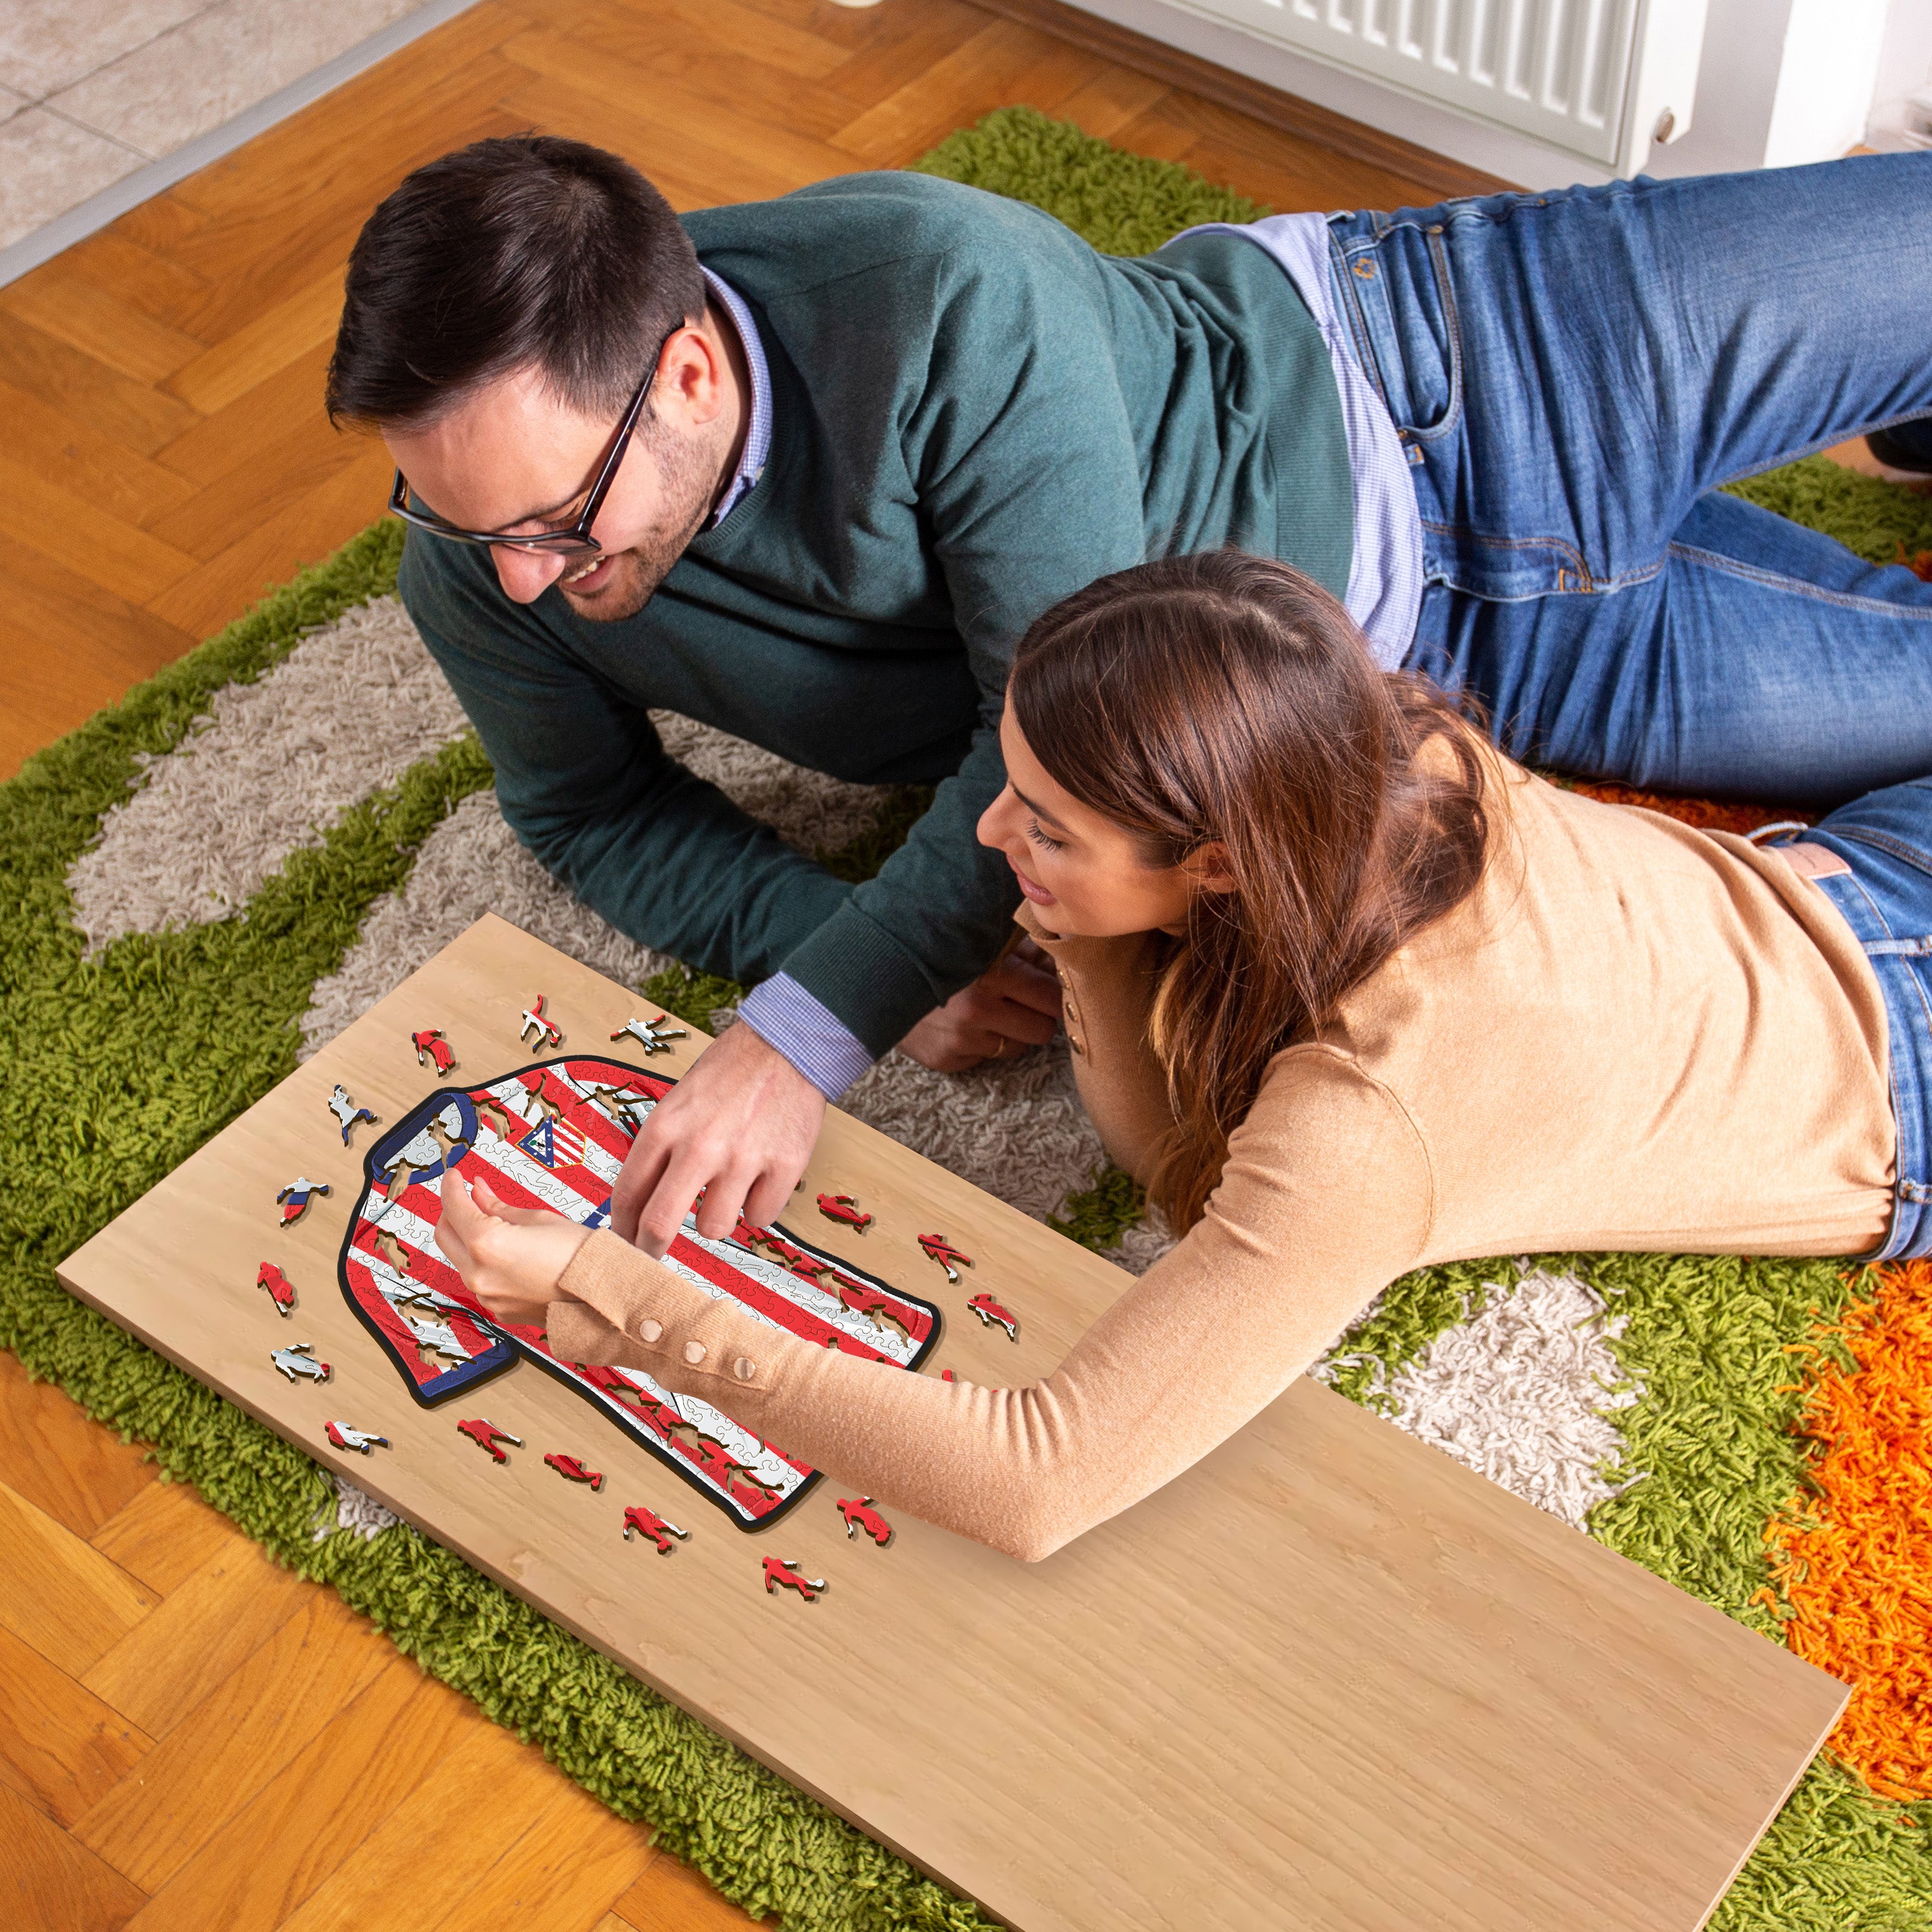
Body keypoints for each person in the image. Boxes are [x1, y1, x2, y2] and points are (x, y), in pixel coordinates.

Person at [327, 135, 1932, 1256]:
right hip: (1415, 672)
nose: (517, 579)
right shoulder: (477, 564)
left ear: (684, 374)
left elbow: (1041, 717)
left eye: (553, 521)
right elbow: (583, 805)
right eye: (459, 521)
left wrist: (804, 1027)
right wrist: (805, 931)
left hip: (1463, 359)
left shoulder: (941, 289)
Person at [432, 551, 1929, 1562]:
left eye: (1050, 825)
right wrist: (1076, 913)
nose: (983, 836)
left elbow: (1038, 1477)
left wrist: (612, 1296)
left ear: (1217, 865)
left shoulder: (1368, 1125)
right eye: (1009, 787)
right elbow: (1175, 1145)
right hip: (1848, 868)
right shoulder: (1359, 728)